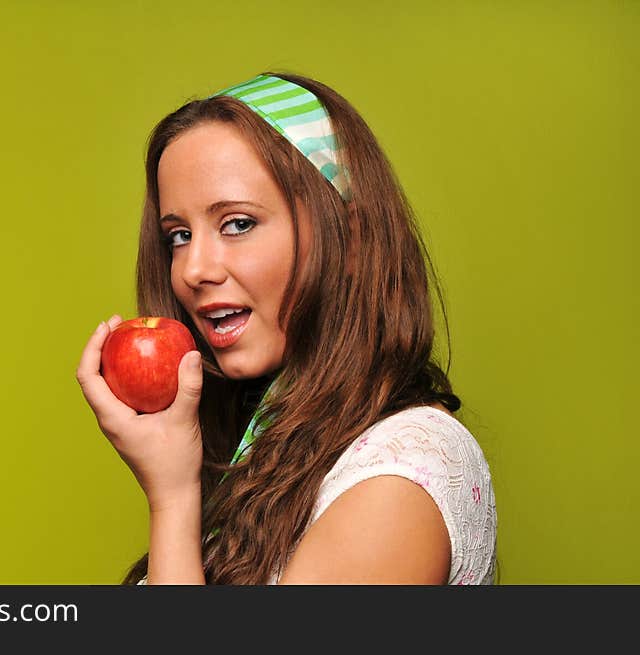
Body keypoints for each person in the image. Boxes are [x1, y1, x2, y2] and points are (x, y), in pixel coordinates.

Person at [76, 71, 497, 585]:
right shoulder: (272, 455)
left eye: (238, 224)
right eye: (179, 235)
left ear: (351, 238)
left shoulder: (397, 477)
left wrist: (173, 498)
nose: (192, 270)